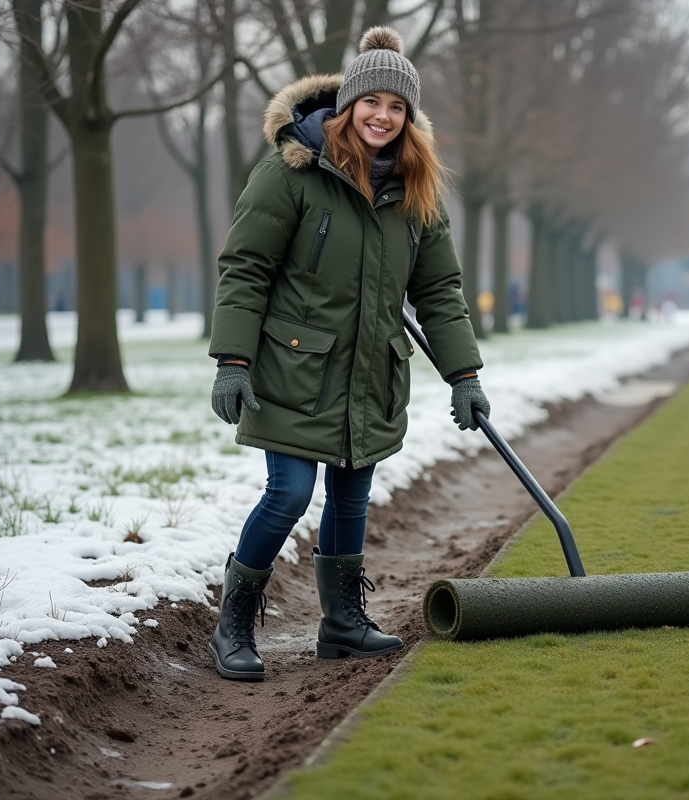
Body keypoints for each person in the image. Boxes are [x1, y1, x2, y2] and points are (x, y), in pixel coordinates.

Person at [207, 27, 489, 682]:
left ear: (408, 117)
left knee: (351, 498)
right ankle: (233, 625)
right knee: (288, 493)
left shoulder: (418, 191)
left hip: (370, 374)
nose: (382, 117)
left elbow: (439, 291)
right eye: (372, 103)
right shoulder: (292, 173)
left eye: (397, 107)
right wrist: (233, 360)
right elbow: (245, 268)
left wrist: (465, 374)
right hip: (294, 368)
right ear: (348, 104)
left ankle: (342, 625)